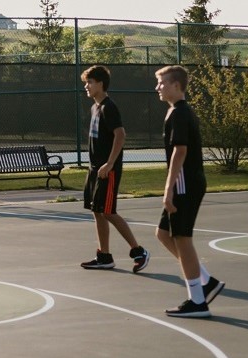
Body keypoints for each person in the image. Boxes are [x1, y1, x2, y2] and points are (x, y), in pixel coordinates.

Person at [155, 65, 223, 319]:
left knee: (182, 238)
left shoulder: (180, 114)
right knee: (163, 234)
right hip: (185, 183)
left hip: (185, 184)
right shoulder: (175, 112)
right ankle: (205, 281)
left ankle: (198, 300)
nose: (157, 88)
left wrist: (168, 188)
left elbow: (180, 152)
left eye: (161, 83)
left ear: (175, 85)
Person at [78, 65, 149, 272]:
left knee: (108, 212)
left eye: (90, 82)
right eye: (86, 82)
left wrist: (109, 164)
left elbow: (121, 135)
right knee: (97, 211)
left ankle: (139, 251)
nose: (86, 86)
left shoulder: (109, 107)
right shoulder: (94, 107)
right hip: (94, 170)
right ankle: (105, 256)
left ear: (100, 83)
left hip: (108, 169)